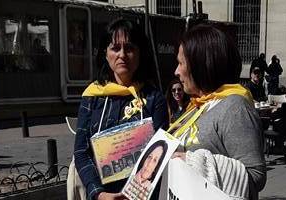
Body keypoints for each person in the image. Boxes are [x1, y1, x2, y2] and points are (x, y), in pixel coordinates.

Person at [74, 18, 169, 200]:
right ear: (105, 53)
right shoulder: (92, 97)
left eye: (130, 48)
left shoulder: (154, 99)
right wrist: (99, 193)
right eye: (115, 48)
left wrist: (134, 194)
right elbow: (81, 152)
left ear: (140, 53)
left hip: (139, 195)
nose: (122, 55)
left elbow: (158, 154)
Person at [168, 24, 265, 200]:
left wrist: (193, 163)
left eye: (181, 63)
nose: (176, 71)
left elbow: (256, 176)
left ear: (201, 65)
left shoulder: (234, 107)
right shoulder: (197, 106)